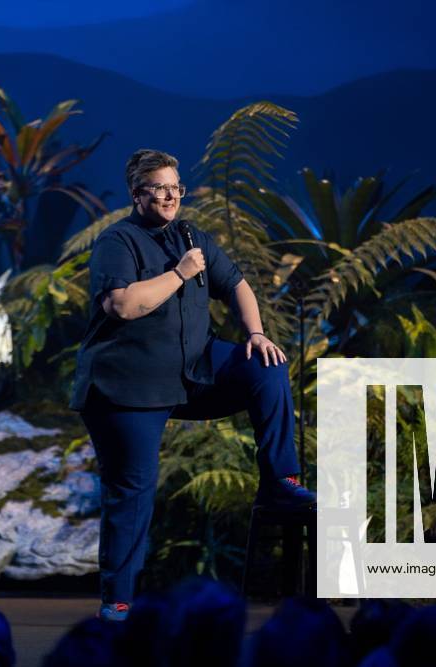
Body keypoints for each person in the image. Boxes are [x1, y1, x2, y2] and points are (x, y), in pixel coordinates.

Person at [69, 148, 316, 621]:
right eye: (158, 188)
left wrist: (256, 332)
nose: (168, 196)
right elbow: (122, 306)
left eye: (175, 187)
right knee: (133, 490)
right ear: (137, 194)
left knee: (265, 365)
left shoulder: (192, 235)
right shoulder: (117, 241)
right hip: (128, 385)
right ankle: (117, 601)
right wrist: (179, 273)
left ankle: (280, 482)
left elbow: (237, 283)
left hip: (193, 372)